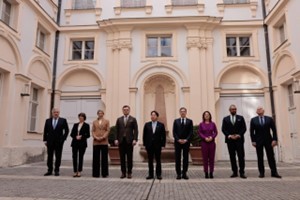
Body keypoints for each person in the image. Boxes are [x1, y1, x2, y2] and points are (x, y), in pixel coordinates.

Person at [250, 106, 282, 178]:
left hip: (268, 140)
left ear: (263, 111)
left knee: (271, 157)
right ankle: (261, 173)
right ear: (256, 112)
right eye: (257, 109)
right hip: (258, 141)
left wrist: (274, 139)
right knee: (260, 157)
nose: (259, 110)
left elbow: (274, 130)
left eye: (260, 109)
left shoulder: (269, 119)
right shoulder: (253, 120)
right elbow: (252, 132)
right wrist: (253, 141)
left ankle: (274, 172)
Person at [221, 105, 247, 179]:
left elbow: (244, 128)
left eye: (235, 109)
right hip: (230, 140)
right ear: (229, 110)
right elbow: (223, 129)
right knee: (232, 157)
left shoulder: (240, 118)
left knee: (241, 156)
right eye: (232, 109)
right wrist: (229, 135)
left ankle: (242, 172)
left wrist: (239, 135)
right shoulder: (225, 119)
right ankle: (234, 172)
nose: (234, 110)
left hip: (239, 140)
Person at [43, 108, 69, 176]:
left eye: (57, 112)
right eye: (55, 112)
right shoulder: (48, 121)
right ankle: (49, 170)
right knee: (50, 156)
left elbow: (66, 130)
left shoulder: (63, 120)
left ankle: (57, 170)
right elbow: (45, 131)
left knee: (58, 156)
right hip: (50, 141)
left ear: (59, 113)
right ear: (52, 113)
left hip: (59, 142)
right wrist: (45, 140)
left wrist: (63, 139)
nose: (56, 113)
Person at [115, 105, 138, 179]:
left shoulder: (133, 119)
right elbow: (116, 130)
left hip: (129, 141)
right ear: (122, 111)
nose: (125, 111)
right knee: (122, 158)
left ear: (129, 110)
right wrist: (116, 139)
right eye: (124, 110)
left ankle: (129, 172)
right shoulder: (119, 119)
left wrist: (135, 139)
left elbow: (136, 130)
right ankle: (123, 172)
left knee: (129, 158)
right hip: (121, 141)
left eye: (127, 110)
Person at [143, 111, 166, 180]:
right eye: (151, 115)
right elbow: (144, 135)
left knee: (158, 160)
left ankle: (158, 174)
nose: (152, 116)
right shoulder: (147, 124)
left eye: (154, 115)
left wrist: (163, 145)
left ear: (157, 116)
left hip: (158, 145)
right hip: (149, 145)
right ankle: (150, 174)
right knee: (150, 161)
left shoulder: (161, 125)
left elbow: (163, 136)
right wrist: (145, 144)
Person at [173, 107, 193, 180]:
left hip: (186, 142)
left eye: (184, 111)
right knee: (177, 158)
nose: (183, 113)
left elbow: (191, 132)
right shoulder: (176, 121)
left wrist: (186, 140)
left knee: (185, 158)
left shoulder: (189, 121)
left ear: (186, 112)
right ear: (179, 112)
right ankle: (178, 173)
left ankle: (184, 173)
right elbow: (174, 132)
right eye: (181, 111)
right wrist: (178, 139)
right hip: (178, 142)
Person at [198, 111, 218, 179]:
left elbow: (215, 132)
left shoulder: (213, 124)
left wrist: (212, 137)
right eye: (205, 115)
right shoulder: (201, 124)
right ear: (203, 116)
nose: (206, 116)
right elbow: (200, 132)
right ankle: (206, 172)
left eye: (208, 115)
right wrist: (204, 138)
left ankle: (211, 172)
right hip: (204, 143)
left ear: (210, 116)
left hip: (212, 143)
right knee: (205, 158)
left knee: (212, 158)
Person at [70, 112, 90, 177]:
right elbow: (72, 134)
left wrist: (81, 137)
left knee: (81, 157)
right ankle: (75, 171)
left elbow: (88, 135)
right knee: (74, 157)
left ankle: (79, 171)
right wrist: (75, 136)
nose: (81, 117)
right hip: (75, 143)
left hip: (82, 143)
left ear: (84, 118)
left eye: (82, 116)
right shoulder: (75, 125)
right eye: (80, 116)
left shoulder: (87, 125)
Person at [92, 110, 110, 178]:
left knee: (104, 158)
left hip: (104, 141)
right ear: (97, 114)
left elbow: (108, 130)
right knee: (96, 158)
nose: (100, 114)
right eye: (99, 113)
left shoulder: (107, 121)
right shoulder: (94, 122)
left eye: (101, 113)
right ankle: (95, 173)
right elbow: (93, 130)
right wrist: (96, 137)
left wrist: (103, 137)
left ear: (103, 114)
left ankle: (104, 173)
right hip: (96, 142)